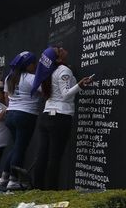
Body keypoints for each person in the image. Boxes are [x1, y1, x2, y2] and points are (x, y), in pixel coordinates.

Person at [32, 46, 92, 190]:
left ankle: (37, 188)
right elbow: (65, 94)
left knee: (42, 155)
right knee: (55, 157)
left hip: (47, 115)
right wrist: (79, 85)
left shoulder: (48, 72)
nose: (63, 49)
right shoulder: (64, 70)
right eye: (60, 50)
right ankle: (52, 191)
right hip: (60, 117)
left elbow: (44, 91)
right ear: (58, 58)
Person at [0, 51, 40, 191]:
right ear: (27, 65)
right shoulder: (31, 78)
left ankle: (4, 176)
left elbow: (6, 97)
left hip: (11, 114)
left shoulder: (10, 77)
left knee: (16, 147)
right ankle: (13, 180)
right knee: (20, 148)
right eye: (34, 63)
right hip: (26, 114)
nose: (36, 65)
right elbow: (45, 90)